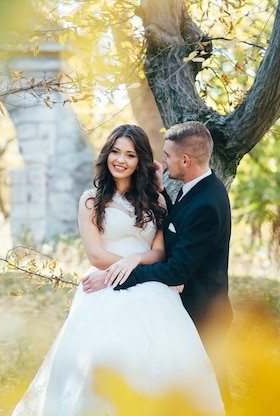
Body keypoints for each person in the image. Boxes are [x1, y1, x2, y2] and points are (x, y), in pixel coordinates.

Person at [12, 124, 224, 416]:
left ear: (140, 162)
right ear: (106, 154)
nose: (120, 160)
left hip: (151, 288)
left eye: (130, 155)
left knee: (156, 362)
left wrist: (134, 259)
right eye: (115, 152)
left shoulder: (157, 199)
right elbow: (97, 255)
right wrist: (123, 265)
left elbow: (161, 251)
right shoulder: (91, 199)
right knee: (100, 362)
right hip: (103, 284)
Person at [82, 120, 233, 412]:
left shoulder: (207, 202)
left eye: (167, 155)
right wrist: (160, 193)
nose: (162, 161)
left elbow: (175, 267)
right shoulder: (193, 191)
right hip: (174, 303)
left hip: (203, 311)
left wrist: (119, 275)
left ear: (185, 160)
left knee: (210, 391)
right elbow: (175, 226)